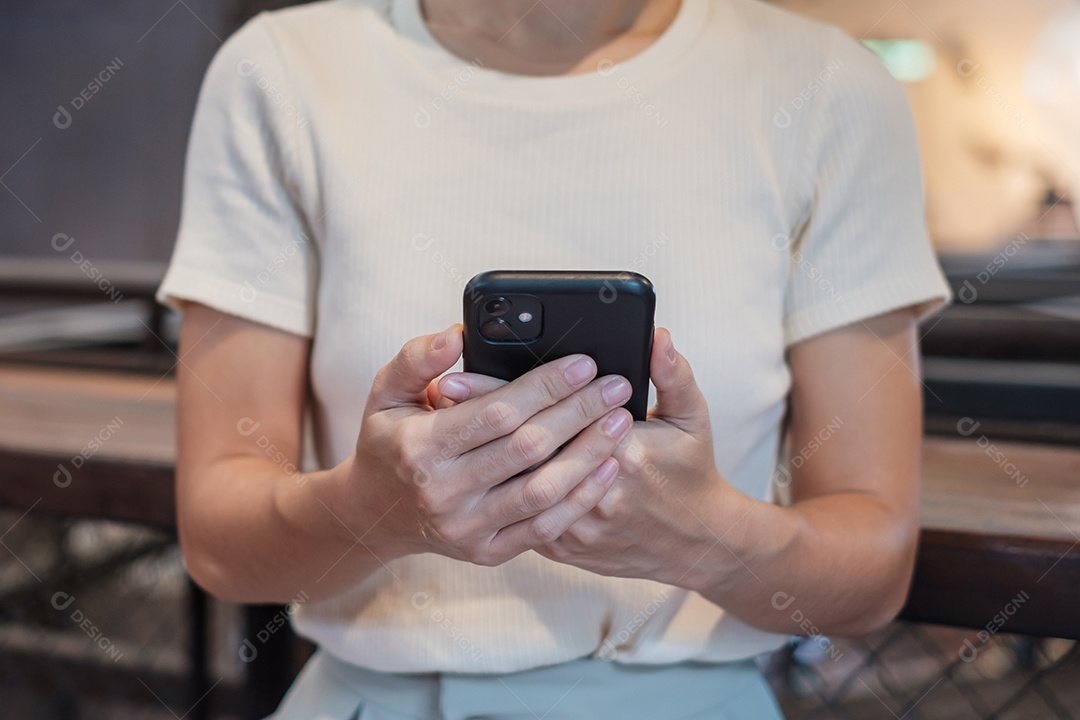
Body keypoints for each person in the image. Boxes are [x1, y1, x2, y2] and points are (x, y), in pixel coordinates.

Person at [156, 0, 951, 717]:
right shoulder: (285, 73)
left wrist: (707, 536)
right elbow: (220, 539)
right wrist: (372, 511)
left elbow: (874, 566)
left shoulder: (829, 87)